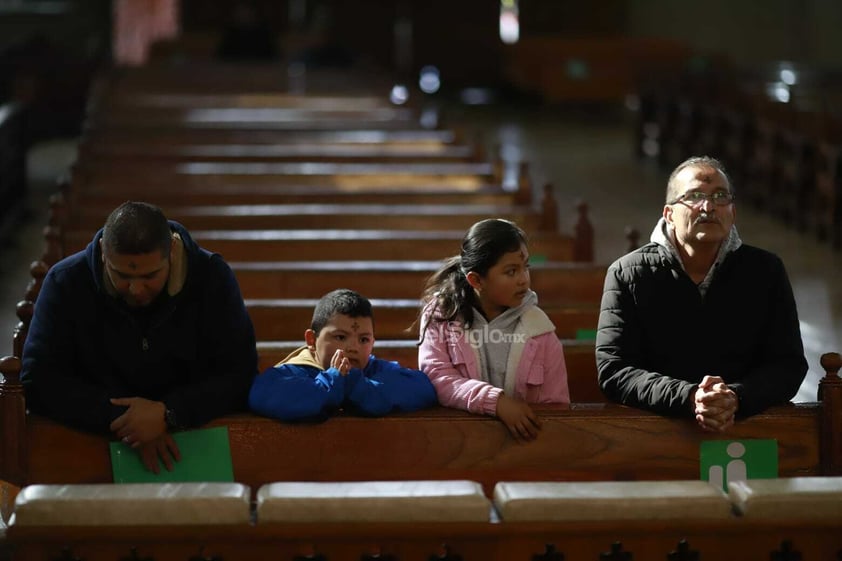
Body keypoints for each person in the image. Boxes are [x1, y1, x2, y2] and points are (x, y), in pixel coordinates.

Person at [21, 201, 258, 472]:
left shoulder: (212, 276)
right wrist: (127, 422)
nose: (136, 289)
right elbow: (38, 378)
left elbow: (240, 373)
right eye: (121, 275)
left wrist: (169, 413)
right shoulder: (66, 282)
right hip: (89, 447)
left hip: (195, 445)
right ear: (102, 253)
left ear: (171, 253)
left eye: (150, 276)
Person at [596, 155, 808, 432]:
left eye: (720, 196)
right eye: (694, 196)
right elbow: (615, 370)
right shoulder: (629, 273)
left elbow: (787, 364)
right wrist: (689, 397)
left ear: (733, 212)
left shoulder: (765, 271)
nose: (708, 207)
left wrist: (735, 397)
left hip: (747, 428)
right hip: (657, 432)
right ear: (669, 214)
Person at [416, 218, 570, 442]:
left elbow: (556, 407)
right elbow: (437, 377)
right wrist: (495, 402)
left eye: (525, 267)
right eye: (511, 271)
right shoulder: (442, 315)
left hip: (523, 448)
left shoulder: (540, 330)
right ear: (476, 280)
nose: (524, 281)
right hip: (455, 441)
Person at [248, 288, 437, 421]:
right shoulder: (293, 372)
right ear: (311, 340)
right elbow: (260, 395)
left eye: (363, 340)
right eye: (340, 337)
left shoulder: (372, 369)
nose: (353, 347)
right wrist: (330, 383)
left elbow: (423, 388)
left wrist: (358, 386)